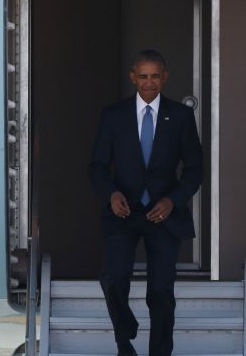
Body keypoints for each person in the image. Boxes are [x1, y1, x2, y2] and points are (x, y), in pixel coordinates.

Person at [89, 49, 203, 356]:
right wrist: (111, 194)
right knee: (113, 279)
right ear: (133, 77)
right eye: (143, 76)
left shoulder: (180, 116)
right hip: (122, 211)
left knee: (161, 291)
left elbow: (195, 169)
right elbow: (97, 165)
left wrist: (172, 200)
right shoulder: (113, 115)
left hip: (163, 214)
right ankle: (124, 339)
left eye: (155, 76)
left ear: (164, 77)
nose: (149, 83)